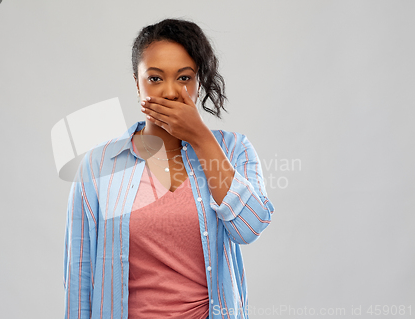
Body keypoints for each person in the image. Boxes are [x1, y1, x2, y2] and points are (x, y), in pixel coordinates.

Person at [63, 18, 275, 319]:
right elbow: (79, 275)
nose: (172, 92)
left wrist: (201, 138)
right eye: (155, 78)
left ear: (199, 83)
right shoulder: (100, 164)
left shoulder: (234, 149)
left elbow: (250, 228)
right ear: (137, 84)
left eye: (185, 78)